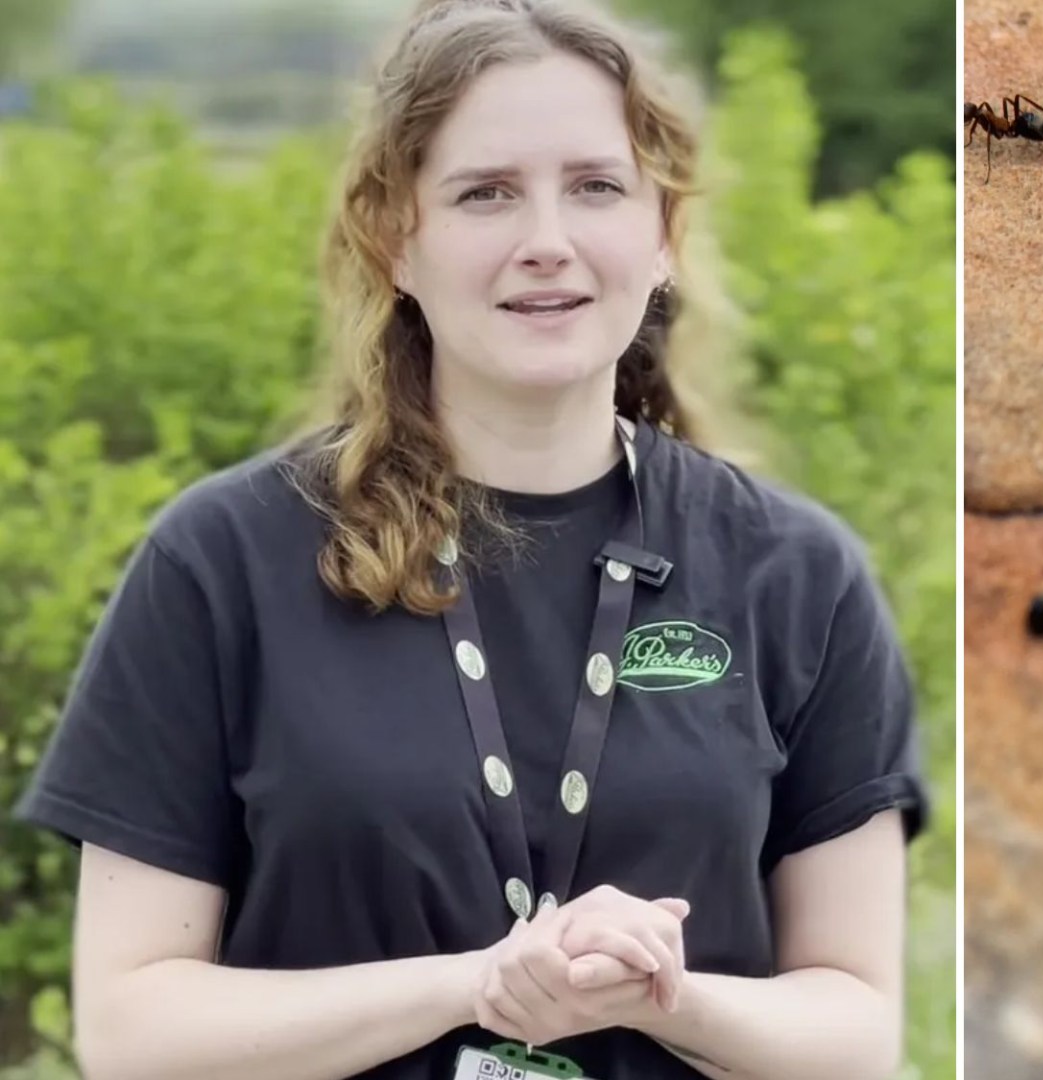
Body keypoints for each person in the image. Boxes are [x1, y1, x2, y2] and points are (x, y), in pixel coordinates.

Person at [10, 1, 928, 1077]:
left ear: (664, 235)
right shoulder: (220, 561)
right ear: (398, 240)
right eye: (486, 193)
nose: (547, 243)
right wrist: (479, 981)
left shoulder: (798, 574)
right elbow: (133, 1034)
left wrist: (658, 996)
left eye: (596, 186)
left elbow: (857, 1032)